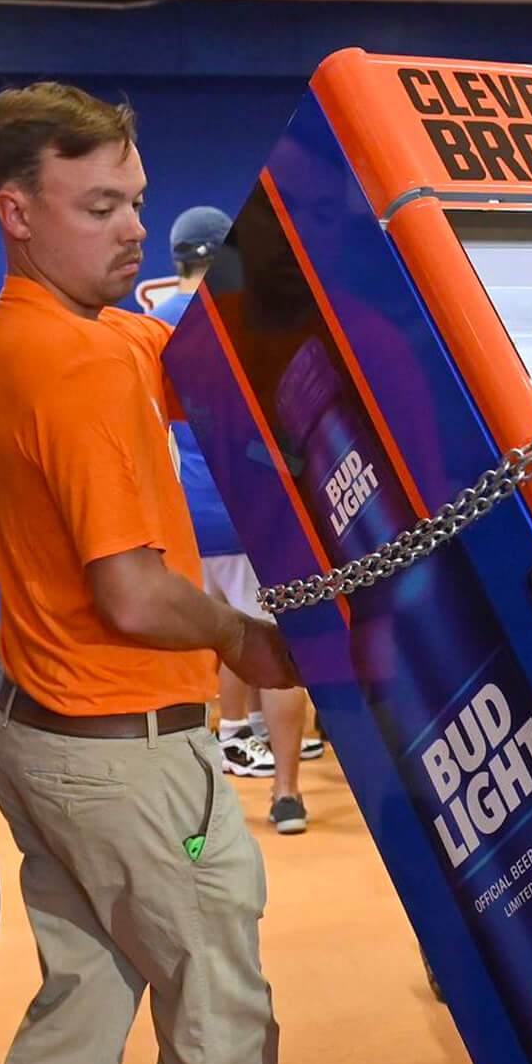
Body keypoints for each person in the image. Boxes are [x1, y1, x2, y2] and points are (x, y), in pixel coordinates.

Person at [0, 83, 371, 1064]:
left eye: (135, 200)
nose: (131, 228)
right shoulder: (68, 361)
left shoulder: (55, 330)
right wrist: (248, 639)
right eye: (99, 205)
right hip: (126, 752)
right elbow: (131, 591)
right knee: (223, 1006)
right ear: (17, 212)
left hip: (51, 742)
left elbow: (176, 365)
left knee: (76, 1020)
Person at [159, 205, 319, 832]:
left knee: (222, 632)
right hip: (251, 515)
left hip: (185, 519)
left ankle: (225, 749)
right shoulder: (242, 320)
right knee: (281, 647)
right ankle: (285, 794)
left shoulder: (151, 325)